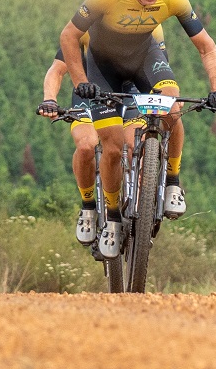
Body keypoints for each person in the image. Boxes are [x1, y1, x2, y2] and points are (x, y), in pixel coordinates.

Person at [58, 0, 216, 258]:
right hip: (103, 68)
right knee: (111, 148)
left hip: (143, 57)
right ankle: (111, 217)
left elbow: (206, 46)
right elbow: (69, 36)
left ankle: (172, 180)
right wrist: (81, 83)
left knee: (173, 106)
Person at [37, 28, 164, 245]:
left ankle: (141, 210)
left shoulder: (141, 25)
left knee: (135, 144)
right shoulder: (85, 27)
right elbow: (57, 70)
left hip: (130, 94)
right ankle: (88, 207)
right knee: (86, 146)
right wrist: (49, 99)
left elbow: (159, 69)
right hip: (90, 96)